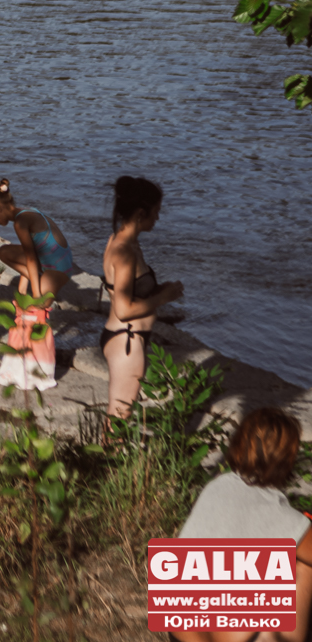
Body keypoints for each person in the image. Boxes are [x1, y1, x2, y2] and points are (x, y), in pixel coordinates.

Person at [170, 408, 312, 642]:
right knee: (303, 564)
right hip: (229, 636)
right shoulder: (281, 515)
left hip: (180, 629)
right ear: (289, 461)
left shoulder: (217, 487)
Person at [101, 176, 185, 420]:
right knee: (120, 415)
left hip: (123, 338)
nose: (157, 218)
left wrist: (157, 290)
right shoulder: (125, 252)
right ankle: (111, 456)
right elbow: (124, 308)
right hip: (126, 341)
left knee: (119, 414)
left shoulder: (121, 241)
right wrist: (163, 298)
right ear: (140, 213)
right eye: (155, 212)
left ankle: (111, 453)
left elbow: (128, 289)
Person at [0, 179, 72, 392]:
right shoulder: (25, 212)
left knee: (39, 306)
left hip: (57, 267)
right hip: (48, 262)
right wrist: (24, 286)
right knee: (3, 252)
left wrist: (34, 292)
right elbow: (32, 255)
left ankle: (37, 366)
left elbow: (31, 258)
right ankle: (37, 282)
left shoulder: (21, 222)